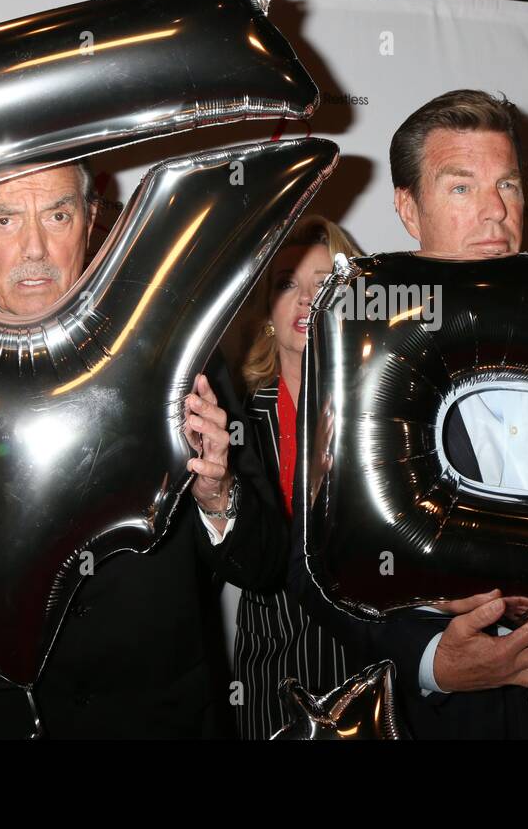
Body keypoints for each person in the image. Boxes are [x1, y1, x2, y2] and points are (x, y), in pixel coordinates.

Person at [0, 160, 287, 738]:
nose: (34, 248)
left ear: (90, 220)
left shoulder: (182, 357)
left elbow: (266, 565)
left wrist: (218, 493)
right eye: (5, 218)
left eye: (57, 214)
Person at [289, 89, 528, 738]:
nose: (496, 212)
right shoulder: (361, 369)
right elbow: (318, 571)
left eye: (509, 186)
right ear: (409, 208)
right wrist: (434, 661)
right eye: (461, 188)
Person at [228, 215, 362, 739]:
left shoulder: (384, 412)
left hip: (371, 668)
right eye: (287, 283)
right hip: (271, 677)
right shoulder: (233, 420)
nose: (307, 300)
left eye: (325, 283)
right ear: (267, 307)